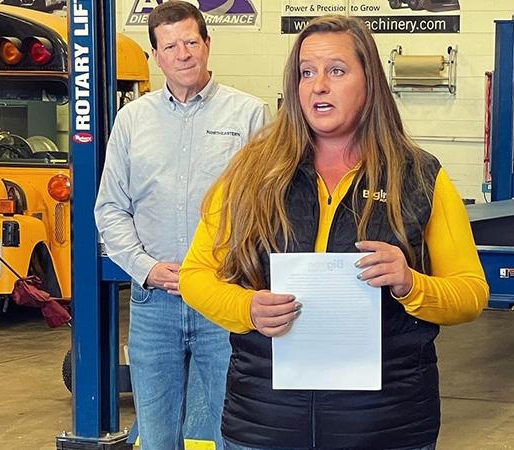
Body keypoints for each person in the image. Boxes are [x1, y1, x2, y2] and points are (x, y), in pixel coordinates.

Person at [180, 15, 489, 450]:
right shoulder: (251, 173)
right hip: (265, 425)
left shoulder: (420, 177)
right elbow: (196, 275)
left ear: (370, 82)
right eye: (307, 72)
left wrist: (409, 282)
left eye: (336, 71)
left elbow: (471, 294)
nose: (318, 85)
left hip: (386, 427)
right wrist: (246, 307)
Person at [93, 2, 268, 449]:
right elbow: (110, 207)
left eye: (191, 41)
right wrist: (145, 267)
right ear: (156, 56)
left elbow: (267, 208)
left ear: (208, 44)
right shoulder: (133, 120)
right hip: (155, 304)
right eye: (170, 45)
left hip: (223, 300)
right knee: (156, 435)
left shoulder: (250, 115)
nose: (183, 53)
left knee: (235, 428)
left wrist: (228, 272)